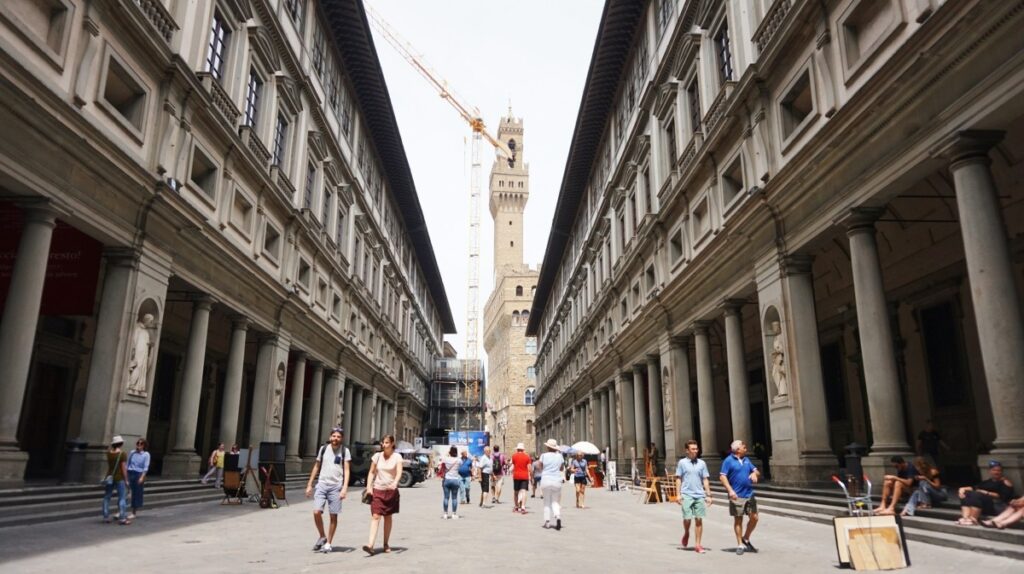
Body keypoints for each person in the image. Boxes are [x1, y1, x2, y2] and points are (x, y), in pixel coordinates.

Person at [305, 427, 351, 554]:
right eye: (334, 436)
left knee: (333, 515)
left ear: (342, 438)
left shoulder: (345, 451)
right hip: (322, 484)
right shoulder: (323, 449)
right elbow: (316, 466)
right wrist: (309, 484)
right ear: (330, 437)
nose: (336, 438)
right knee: (316, 512)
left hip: (336, 486)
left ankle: (328, 543)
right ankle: (322, 536)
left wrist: (344, 488)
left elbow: (347, 470)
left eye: (338, 436)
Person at [363, 435, 402, 556]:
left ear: (392, 443)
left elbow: (399, 471)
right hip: (378, 489)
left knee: (388, 517)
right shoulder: (377, 456)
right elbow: (371, 472)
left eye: (386, 443)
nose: (384, 445)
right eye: (383, 443)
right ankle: (370, 545)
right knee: (375, 516)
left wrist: (395, 482)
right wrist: (369, 487)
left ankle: (386, 543)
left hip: (390, 491)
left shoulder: (397, 457)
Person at [720, 439, 760, 555]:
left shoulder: (747, 460)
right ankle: (740, 544)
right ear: (738, 450)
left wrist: (754, 473)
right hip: (736, 496)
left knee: (755, 517)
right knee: (738, 520)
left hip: (749, 494)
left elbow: (757, 471)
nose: (746, 448)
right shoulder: (728, 461)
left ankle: (746, 538)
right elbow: (722, 477)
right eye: (744, 447)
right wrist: (730, 491)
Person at [676, 439, 713, 554]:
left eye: (696, 449)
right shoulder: (682, 463)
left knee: (698, 519)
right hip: (686, 494)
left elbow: (705, 479)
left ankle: (698, 544)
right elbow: (678, 478)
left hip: (699, 495)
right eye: (693, 449)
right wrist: (678, 494)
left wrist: (708, 494)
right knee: (687, 519)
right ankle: (686, 532)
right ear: (687, 450)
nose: (695, 451)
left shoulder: (702, 463)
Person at [957, 461, 1014, 526]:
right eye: (994, 470)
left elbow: (1002, 497)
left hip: (996, 505)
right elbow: (974, 488)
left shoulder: (1005, 482)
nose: (996, 472)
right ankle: (965, 518)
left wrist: (986, 493)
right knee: (966, 493)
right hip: (983, 505)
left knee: (977, 494)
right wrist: (962, 489)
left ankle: (973, 519)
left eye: (998, 470)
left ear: (1001, 472)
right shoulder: (987, 482)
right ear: (990, 471)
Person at [102, 435, 130, 525]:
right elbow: (123, 468)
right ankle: (122, 518)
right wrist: (126, 479)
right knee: (122, 497)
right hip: (119, 478)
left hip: (109, 477)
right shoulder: (122, 454)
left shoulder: (109, 453)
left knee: (107, 497)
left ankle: (105, 516)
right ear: (121, 444)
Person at [539, 438, 565, 530]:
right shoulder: (560, 456)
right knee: (555, 501)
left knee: (546, 502)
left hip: (546, 480)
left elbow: (540, 466)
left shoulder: (543, 455)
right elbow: (561, 468)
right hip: (556, 480)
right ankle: (557, 516)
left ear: (548, 447)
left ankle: (547, 522)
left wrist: (546, 470)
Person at [126, 437, 150, 520]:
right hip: (130, 472)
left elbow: (145, 467)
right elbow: (127, 464)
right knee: (125, 492)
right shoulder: (132, 453)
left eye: (141, 444)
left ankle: (134, 512)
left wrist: (142, 477)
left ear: (144, 446)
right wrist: (126, 475)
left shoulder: (146, 454)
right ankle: (121, 510)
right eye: (138, 443)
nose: (139, 445)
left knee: (136, 493)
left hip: (138, 474)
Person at [440, 446, 462, 519]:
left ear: (450, 452)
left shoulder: (446, 459)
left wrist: (448, 454)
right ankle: (453, 514)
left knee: (446, 497)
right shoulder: (458, 460)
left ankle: (445, 514)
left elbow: (442, 459)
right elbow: (461, 464)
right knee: (454, 498)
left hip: (447, 479)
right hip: (455, 479)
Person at [511, 442, 532, 514]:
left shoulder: (514, 456)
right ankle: (523, 507)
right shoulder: (527, 457)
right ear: (523, 449)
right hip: (524, 476)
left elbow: (513, 465)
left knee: (516, 492)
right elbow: (529, 468)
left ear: (517, 449)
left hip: (516, 475)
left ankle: (516, 506)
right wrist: (531, 476)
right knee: (524, 492)